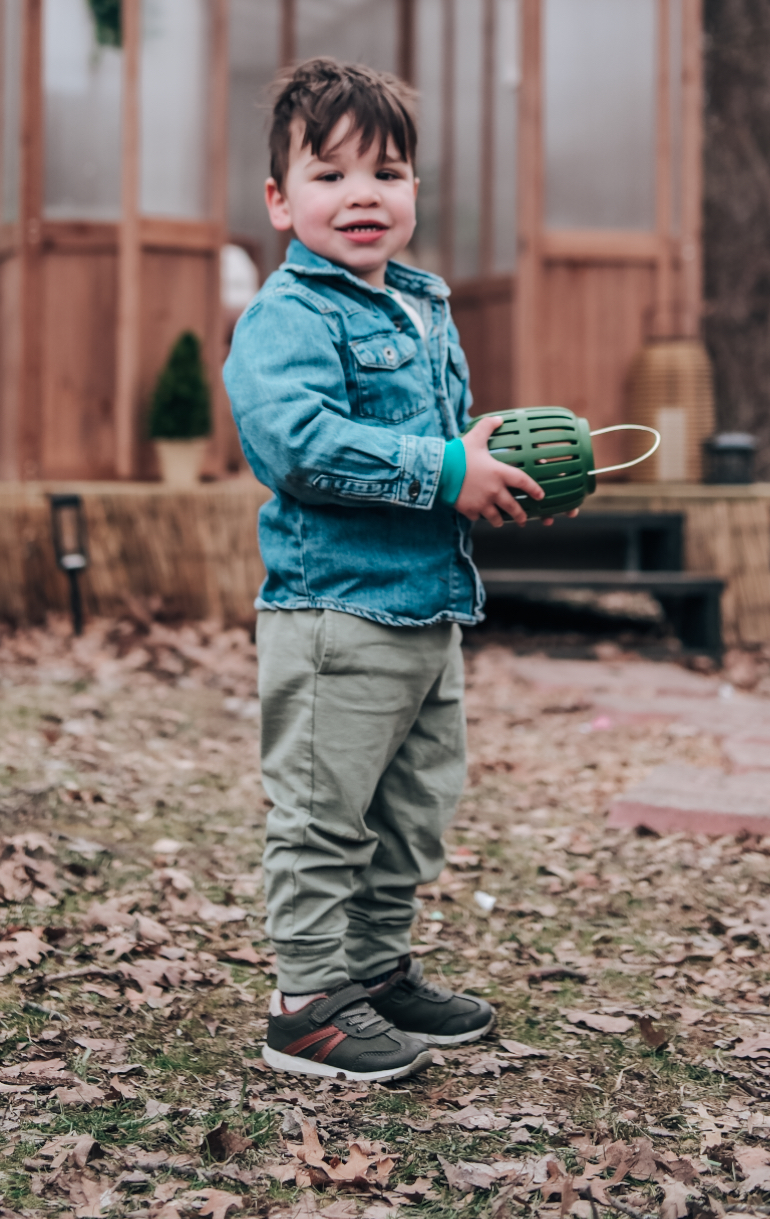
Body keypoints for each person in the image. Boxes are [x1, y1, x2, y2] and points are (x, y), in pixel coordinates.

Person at [223, 57, 547, 1083]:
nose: (362, 194)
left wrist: (478, 455)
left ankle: (371, 968)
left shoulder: (418, 303)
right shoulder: (290, 315)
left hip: (425, 608)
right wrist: (442, 466)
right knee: (325, 809)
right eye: (329, 174)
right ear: (279, 201)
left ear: (415, 192)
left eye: (388, 171)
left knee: (409, 810)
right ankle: (308, 1001)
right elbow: (297, 441)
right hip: (335, 613)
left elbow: (430, 442)